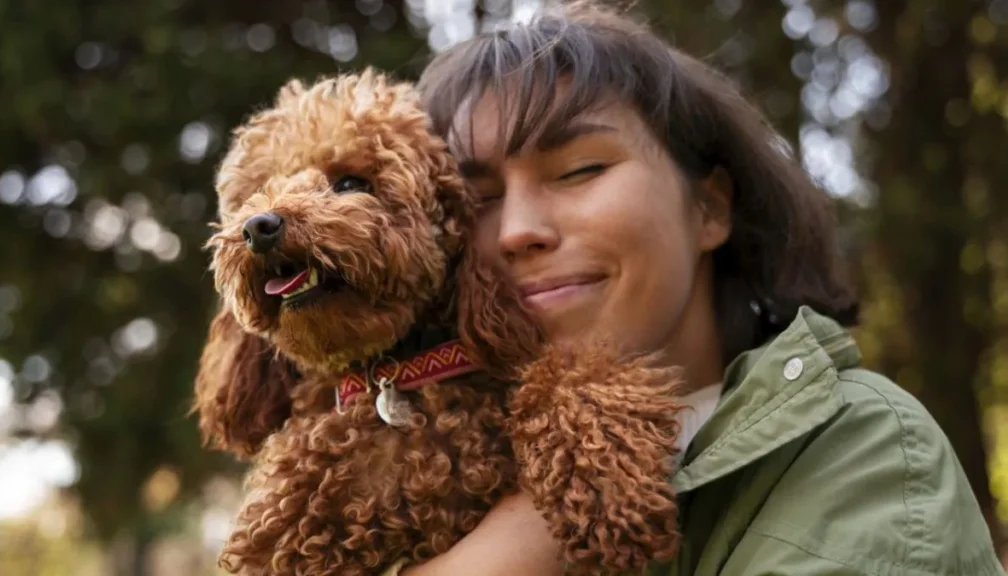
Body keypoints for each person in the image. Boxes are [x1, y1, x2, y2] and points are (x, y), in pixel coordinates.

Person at [390, 2, 1006, 575]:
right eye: (477, 200)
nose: (517, 231)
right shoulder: (411, 476)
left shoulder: (859, 447)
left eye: (580, 170)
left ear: (709, 208)